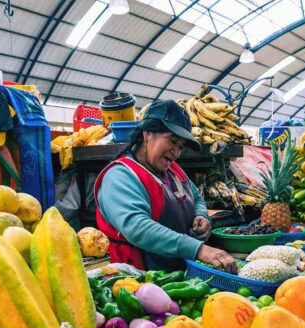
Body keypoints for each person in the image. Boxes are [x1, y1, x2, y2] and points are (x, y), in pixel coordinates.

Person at [94, 99, 237, 273]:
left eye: (180, 146)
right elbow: (138, 228)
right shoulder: (120, 176)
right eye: (172, 141)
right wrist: (198, 249)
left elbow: (197, 197)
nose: (176, 152)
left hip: (174, 279)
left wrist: (201, 215)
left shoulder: (173, 171)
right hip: (136, 283)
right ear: (147, 134)